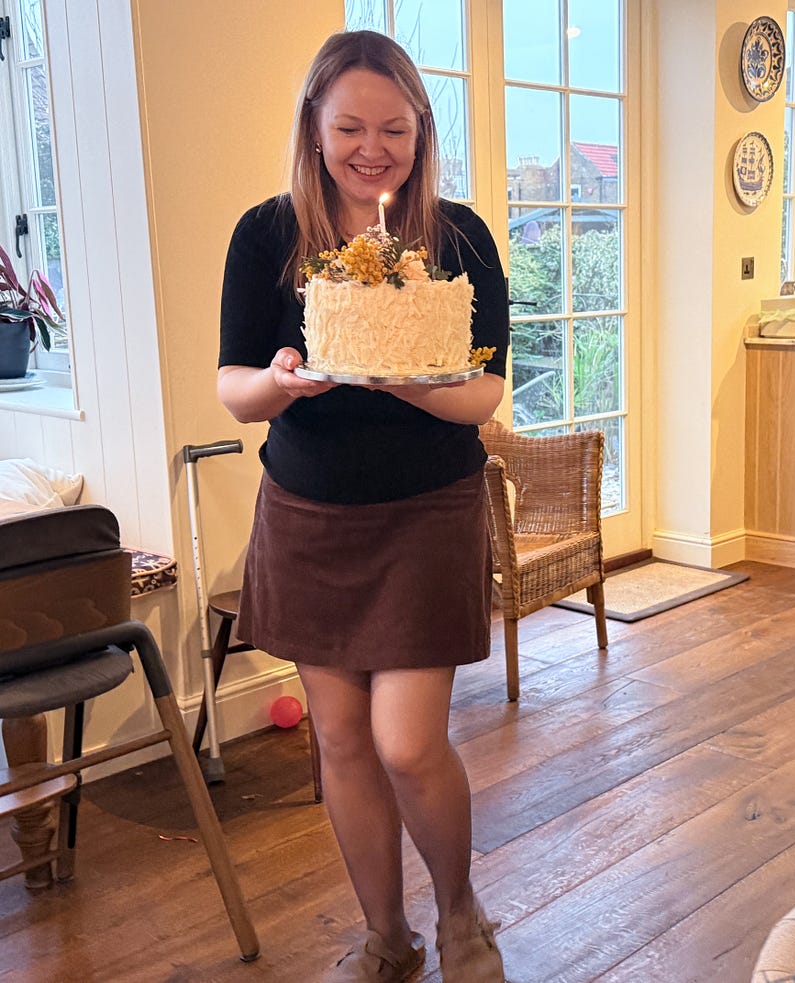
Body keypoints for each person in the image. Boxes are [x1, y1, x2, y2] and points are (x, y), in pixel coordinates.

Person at [218, 29, 509, 983]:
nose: (372, 149)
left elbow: (484, 392)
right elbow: (234, 387)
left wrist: (407, 379)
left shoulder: (458, 239)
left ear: (422, 131)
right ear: (314, 126)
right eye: (350, 127)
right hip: (310, 514)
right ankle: (389, 934)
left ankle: (461, 913)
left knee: (407, 741)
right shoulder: (267, 235)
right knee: (341, 740)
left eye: (394, 128)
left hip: (427, 511)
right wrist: (280, 381)